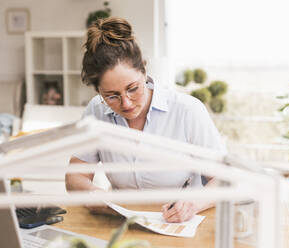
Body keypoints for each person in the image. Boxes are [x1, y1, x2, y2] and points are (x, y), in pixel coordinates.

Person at [65, 17, 227, 223]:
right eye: (111, 96)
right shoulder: (96, 111)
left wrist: (192, 204)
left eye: (133, 89)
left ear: (144, 71)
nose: (127, 103)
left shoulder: (187, 110)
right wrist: (93, 193)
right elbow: (74, 178)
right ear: (98, 91)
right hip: (121, 224)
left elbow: (223, 179)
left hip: (180, 225)